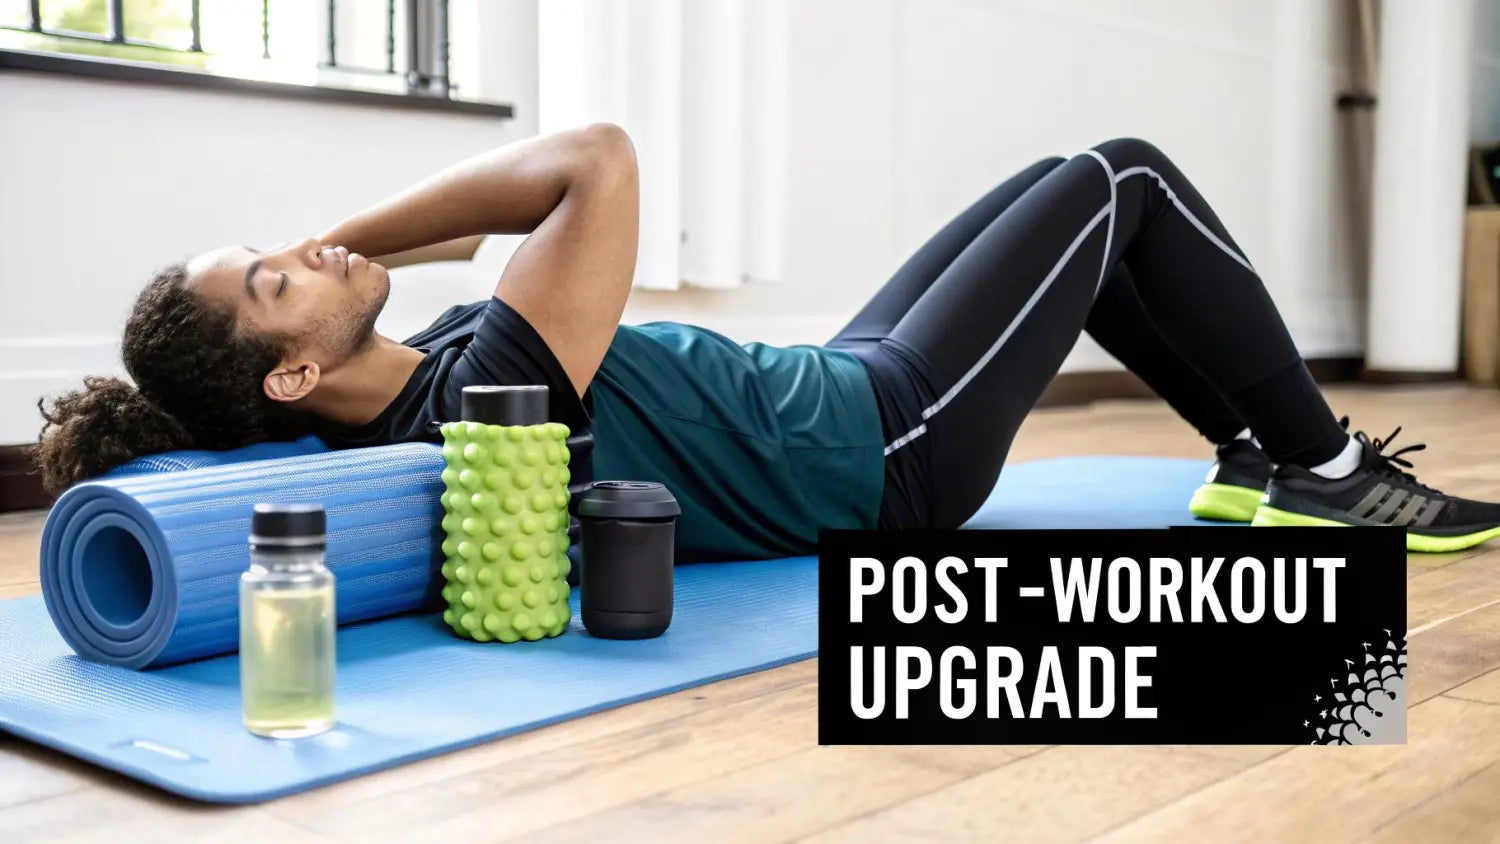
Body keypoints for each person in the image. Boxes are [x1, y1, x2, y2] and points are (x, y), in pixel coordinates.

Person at [34, 124, 1500, 558]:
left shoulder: (432, 372)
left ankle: (1260, 450)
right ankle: (1323, 462)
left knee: (1089, 211)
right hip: (891, 449)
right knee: (1112, 181)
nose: (310, 254)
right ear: (291, 374)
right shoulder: (484, 395)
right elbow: (591, 163)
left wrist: (322, 267)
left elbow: (474, 240)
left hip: (843, 388)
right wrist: (345, 221)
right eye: (279, 284)